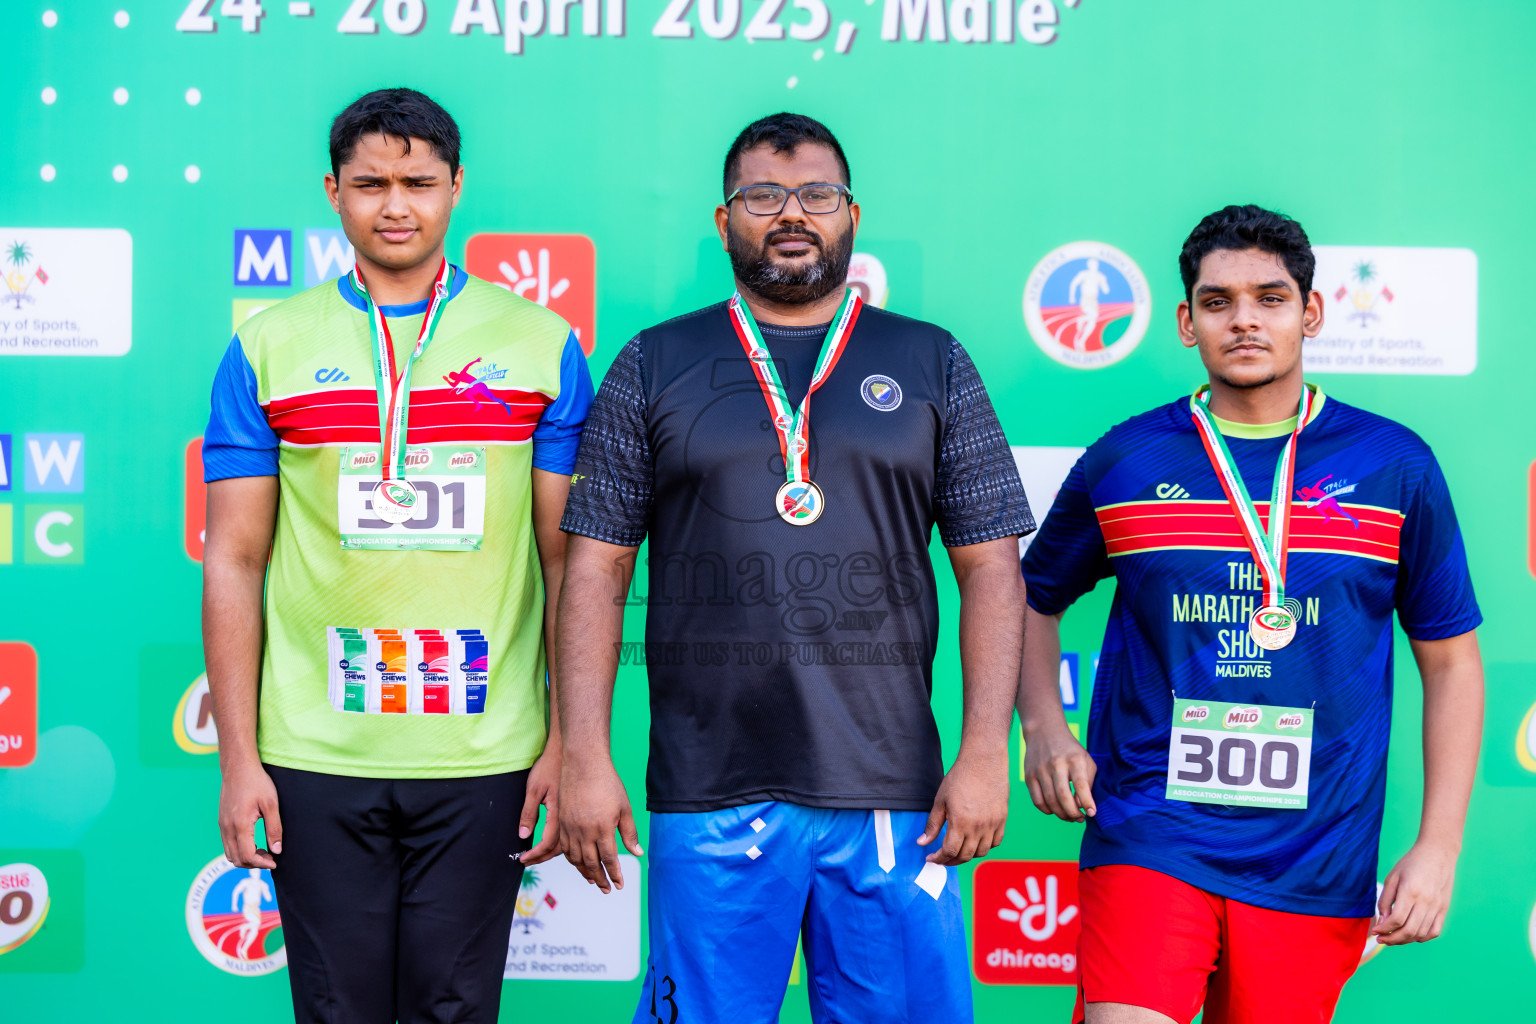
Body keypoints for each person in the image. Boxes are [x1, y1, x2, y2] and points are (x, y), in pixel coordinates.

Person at [555, 111, 1034, 1024]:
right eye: (763, 196)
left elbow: (992, 571)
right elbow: (595, 572)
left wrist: (982, 754)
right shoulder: (654, 362)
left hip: (893, 793)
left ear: (852, 214)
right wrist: (584, 754)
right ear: (723, 219)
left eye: (817, 194)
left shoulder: (931, 359)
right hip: (709, 788)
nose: (791, 214)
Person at [1018, 204, 1484, 1024]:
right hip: (1151, 826)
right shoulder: (1128, 459)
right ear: (1185, 323)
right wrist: (1044, 729)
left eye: (1270, 299)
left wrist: (1439, 846)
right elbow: (1027, 598)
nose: (1244, 320)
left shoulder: (1394, 465)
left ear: (1311, 312)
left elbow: (1450, 662)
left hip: (1318, 852)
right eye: (1218, 301)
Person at [201, 87, 592, 1023]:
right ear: (333, 191)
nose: (395, 205)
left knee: (455, 1010)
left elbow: (569, 565)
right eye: (371, 183)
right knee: (336, 1011)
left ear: (457, 187)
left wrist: (566, 742)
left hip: (485, 754)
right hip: (312, 754)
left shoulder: (540, 344)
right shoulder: (267, 346)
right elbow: (234, 561)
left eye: (418, 182)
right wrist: (239, 761)